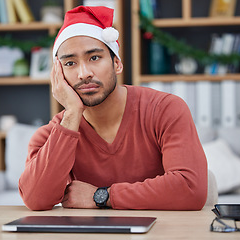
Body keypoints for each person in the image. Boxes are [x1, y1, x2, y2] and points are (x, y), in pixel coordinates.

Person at [18, 6, 207, 211]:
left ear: (117, 63)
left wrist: (101, 196)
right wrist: (72, 113)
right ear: (58, 74)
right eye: (70, 63)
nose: (84, 73)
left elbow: (190, 189)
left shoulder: (165, 110)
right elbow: (36, 200)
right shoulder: (51, 135)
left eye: (94, 58)